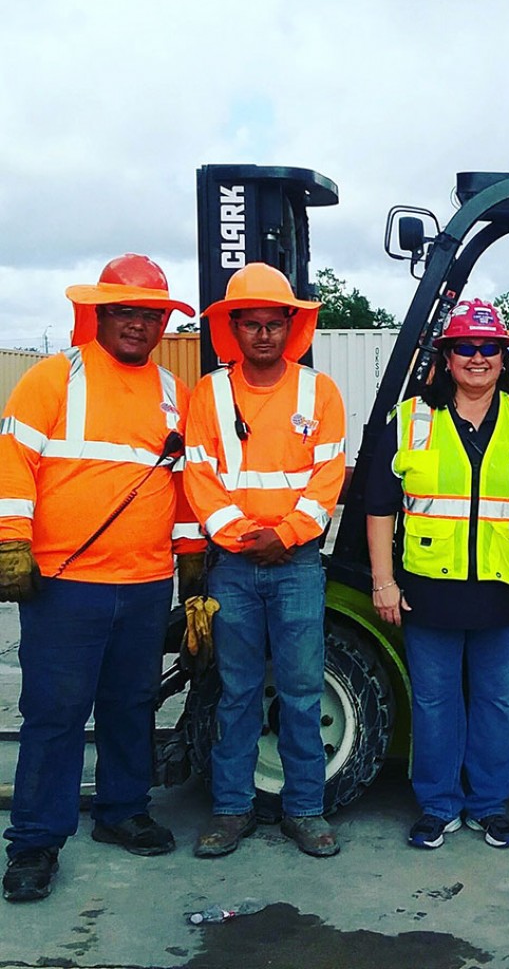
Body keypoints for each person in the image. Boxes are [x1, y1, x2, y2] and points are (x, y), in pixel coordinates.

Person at [0, 255, 202, 903]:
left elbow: (183, 489)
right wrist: (11, 544)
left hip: (145, 584)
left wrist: (191, 561)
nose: (138, 325)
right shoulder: (53, 379)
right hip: (66, 585)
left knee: (130, 704)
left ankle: (122, 809)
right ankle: (35, 841)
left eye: (149, 315)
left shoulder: (175, 393)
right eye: (126, 312)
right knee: (55, 714)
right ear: (99, 313)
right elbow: (14, 465)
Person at [366, 299, 509, 850]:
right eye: (465, 348)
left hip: (504, 593)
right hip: (429, 592)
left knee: (498, 701)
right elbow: (380, 507)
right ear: (447, 358)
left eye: (488, 349)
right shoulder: (410, 421)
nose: (477, 358)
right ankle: (437, 805)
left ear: (503, 358)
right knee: (435, 703)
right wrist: (383, 581)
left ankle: (488, 805)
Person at [183, 262, 346, 859]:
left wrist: (289, 533)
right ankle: (231, 810)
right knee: (236, 691)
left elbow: (328, 475)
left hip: (297, 563)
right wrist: (245, 535)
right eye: (249, 325)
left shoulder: (317, 392)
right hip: (235, 564)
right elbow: (198, 474)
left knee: (302, 691)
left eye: (273, 324)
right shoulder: (210, 393)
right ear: (233, 328)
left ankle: (305, 811)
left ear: (290, 327)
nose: (262, 335)